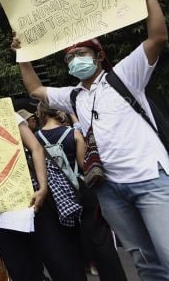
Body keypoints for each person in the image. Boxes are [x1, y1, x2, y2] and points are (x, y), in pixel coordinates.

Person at [13, 0, 169, 279]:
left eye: (81, 53)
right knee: (145, 262)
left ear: (98, 56)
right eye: (70, 57)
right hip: (109, 189)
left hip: (150, 179)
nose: (75, 61)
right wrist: (23, 55)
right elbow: (35, 90)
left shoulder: (125, 75)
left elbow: (158, 37)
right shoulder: (73, 96)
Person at [0, 76, 86, 281]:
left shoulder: (8, 115)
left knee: (58, 259)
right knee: (20, 268)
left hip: (30, 198)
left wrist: (43, 188)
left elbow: (36, 149)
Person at [36, 102, 127, 281]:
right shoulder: (72, 133)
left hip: (56, 196)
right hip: (81, 192)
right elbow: (84, 165)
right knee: (99, 238)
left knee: (68, 242)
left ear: (41, 114)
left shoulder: (35, 138)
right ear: (59, 113)